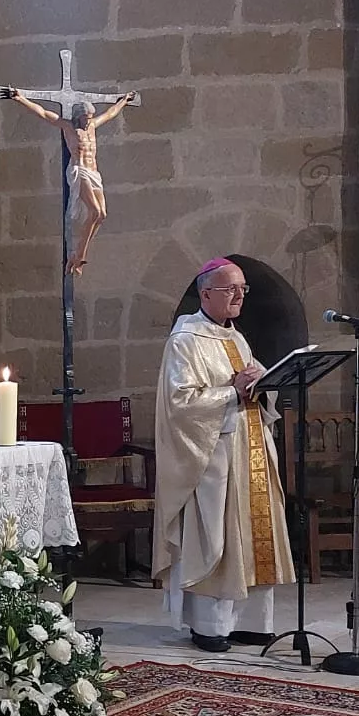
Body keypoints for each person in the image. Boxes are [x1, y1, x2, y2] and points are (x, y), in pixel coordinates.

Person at [152, 258, 296, 653]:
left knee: (253, 534)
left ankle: (252, 622)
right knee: (216, 537)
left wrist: (262, 386)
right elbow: (181, 404)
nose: (238, 296)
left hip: (251, 449)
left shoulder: (237, 338)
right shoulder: (186, 341)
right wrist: (233, 391)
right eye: (230, 289)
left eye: (242, 289)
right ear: (205, 293)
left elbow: (254, 385)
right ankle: (210, 625)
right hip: (212, 458)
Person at [5, 89, 134, 275]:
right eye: (86, 117)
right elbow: (42, 113)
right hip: (79, 170)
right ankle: (79, 255)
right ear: (79, 116)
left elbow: (110, 114)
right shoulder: (69, 128)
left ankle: (78, 254)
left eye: (91, 117)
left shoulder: (92, 126)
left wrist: (124, 101)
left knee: (102, 215)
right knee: (95, 211)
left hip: (94, 173)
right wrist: (20, 98)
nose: (89, 120)